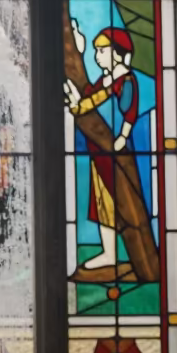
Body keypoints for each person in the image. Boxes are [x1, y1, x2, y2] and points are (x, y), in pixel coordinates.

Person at [63, 27, 141, 273]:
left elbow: (128, 112)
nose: (98, 56)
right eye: (96, 51)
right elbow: (89, 96)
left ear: (118, 53)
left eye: (102, 50)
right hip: (98, 151)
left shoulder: (125, 80)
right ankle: (109, 253)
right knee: (101, 203)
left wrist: (123, 136)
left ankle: (130, 254)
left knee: (119, 201)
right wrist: (82, 51)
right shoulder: (106, 80)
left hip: (116, 152)